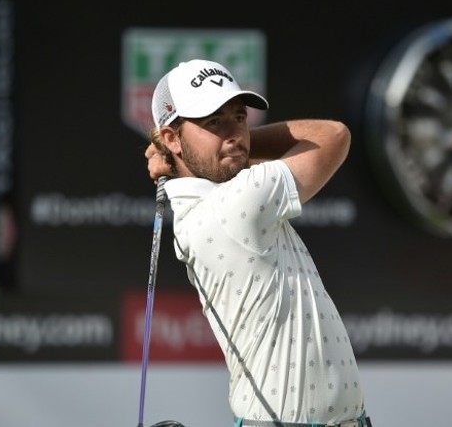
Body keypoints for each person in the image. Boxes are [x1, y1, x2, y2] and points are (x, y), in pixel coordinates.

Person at [143, 59, 371, 427]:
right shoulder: (234, 205)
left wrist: (207, 149)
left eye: (239, 117)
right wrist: (237, 149)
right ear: (171, 138)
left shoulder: (214, 203)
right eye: (213, 122)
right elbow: (334, 135)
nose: (233, 133)